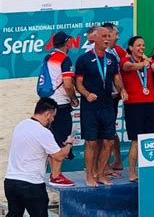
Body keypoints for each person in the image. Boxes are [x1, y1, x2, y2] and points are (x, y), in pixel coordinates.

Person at [75, 27, 128, 187]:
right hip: (90, 107)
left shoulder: (111, 59)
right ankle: (89, 175)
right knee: (91, 143)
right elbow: (78, 84)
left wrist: (123, 90)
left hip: (107, 105)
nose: (107, 39)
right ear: (95, 38)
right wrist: (86, 94)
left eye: (109, 36)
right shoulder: (84, 59)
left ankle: (100, 173)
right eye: (104, 36)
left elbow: (116, 79)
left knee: (109, 142)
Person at [4, 98, 74, 217]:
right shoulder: (43, 132)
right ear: (47, 114)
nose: (52, 120)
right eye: (53, 117)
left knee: (14, 214)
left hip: (11, 181)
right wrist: (69, 143)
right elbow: (59, 156)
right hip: (31, 184)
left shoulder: (21, 125)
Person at [120, 36, 154, 182]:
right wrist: (144, 63)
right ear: (131, 47)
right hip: (134, 105)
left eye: (143, 45)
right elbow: (128, 68)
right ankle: (132, 172)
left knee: (150, 140)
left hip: (150, 103)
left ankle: (148, 171)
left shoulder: (149, 61)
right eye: (138, 45)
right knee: (136, 141)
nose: (142, 47)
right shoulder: (126, 60)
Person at [47, 31, 78, 187]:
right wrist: (73, 98)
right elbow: (67, 84)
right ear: (67, 43)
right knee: (61, 141)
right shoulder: (65, 59)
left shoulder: (49, 57)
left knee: (52, 139)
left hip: (47, 104)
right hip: (61, 104)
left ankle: (54, 173)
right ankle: (56, 175)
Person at [102, 22, 127, 173]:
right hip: (105, 97)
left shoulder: (116, 50)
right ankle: (103, 165)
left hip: (115, 96)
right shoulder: (100, 52)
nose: (118, 37)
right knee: (104, 132)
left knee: (111, 130)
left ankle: (117, 161)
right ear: (108, 35)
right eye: (116, 34)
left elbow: (126, 64)